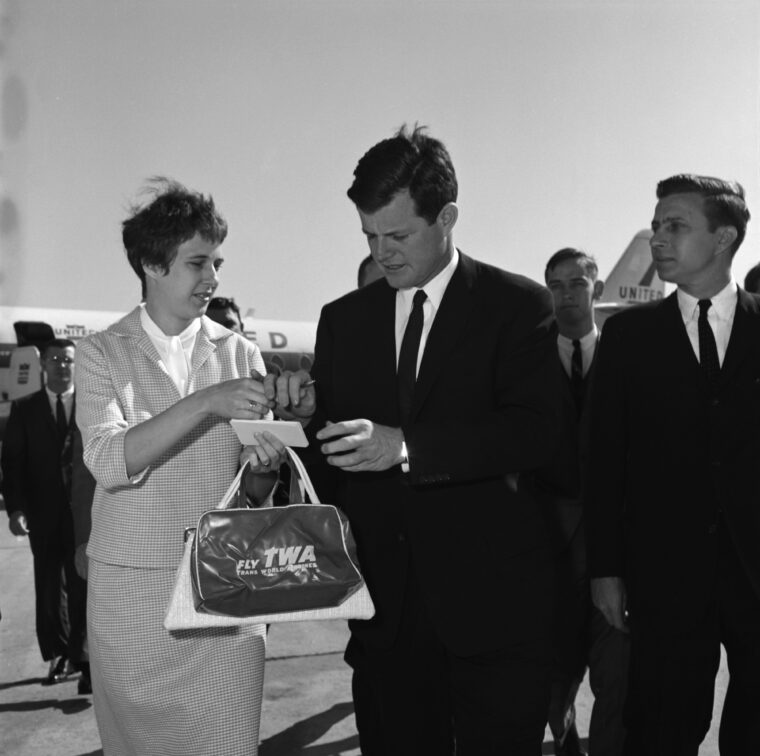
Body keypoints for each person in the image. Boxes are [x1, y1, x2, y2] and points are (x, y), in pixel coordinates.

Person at [267, 125, 562, 755]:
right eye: (371, 237)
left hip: (494, 613)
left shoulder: (518, 306)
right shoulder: (342, 320)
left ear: (448, 217)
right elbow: (331, 458)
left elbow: (537, 433)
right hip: (387, 619)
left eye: (398, 235)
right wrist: (312, 414)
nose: (383, 253)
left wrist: (408, 447)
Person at [75, 178, 287, 756]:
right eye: (198, 263)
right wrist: (205, 402)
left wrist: (263, 465)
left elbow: (256, 488)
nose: (213, 278)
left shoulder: (241, 353)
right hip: (131, 603)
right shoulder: (99, 353)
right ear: (151, 263)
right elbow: (107, 459)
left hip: (224, 592)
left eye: (216, 261)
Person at [587, 174, 760, 755]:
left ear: (723, 238)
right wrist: (605, 567)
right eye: (657, 224)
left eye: (676, 226)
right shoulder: (628, 338)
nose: (659, 237)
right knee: (661, 726)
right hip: (663, 574)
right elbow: (604, 458)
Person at [541, 249, 629, 755]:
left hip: (615, 552)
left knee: (618, 682)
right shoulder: (527, 360)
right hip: (548, 557)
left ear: (596, 289)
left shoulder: (627, 357)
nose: (566, 294)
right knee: (554, 688)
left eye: (577, 283)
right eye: (556, 285)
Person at [1, 339, 90, 692]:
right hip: (43, 513)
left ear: (75, 364)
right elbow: (12, 465)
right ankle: (58, 655)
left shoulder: (92, 406)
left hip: (84, 513)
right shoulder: (25, 410)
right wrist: (17, 508)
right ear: (42, 366)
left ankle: (85, 660)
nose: (61, 365)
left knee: (84, 586)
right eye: (54, 359)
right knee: (50, 587)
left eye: (67, 360)